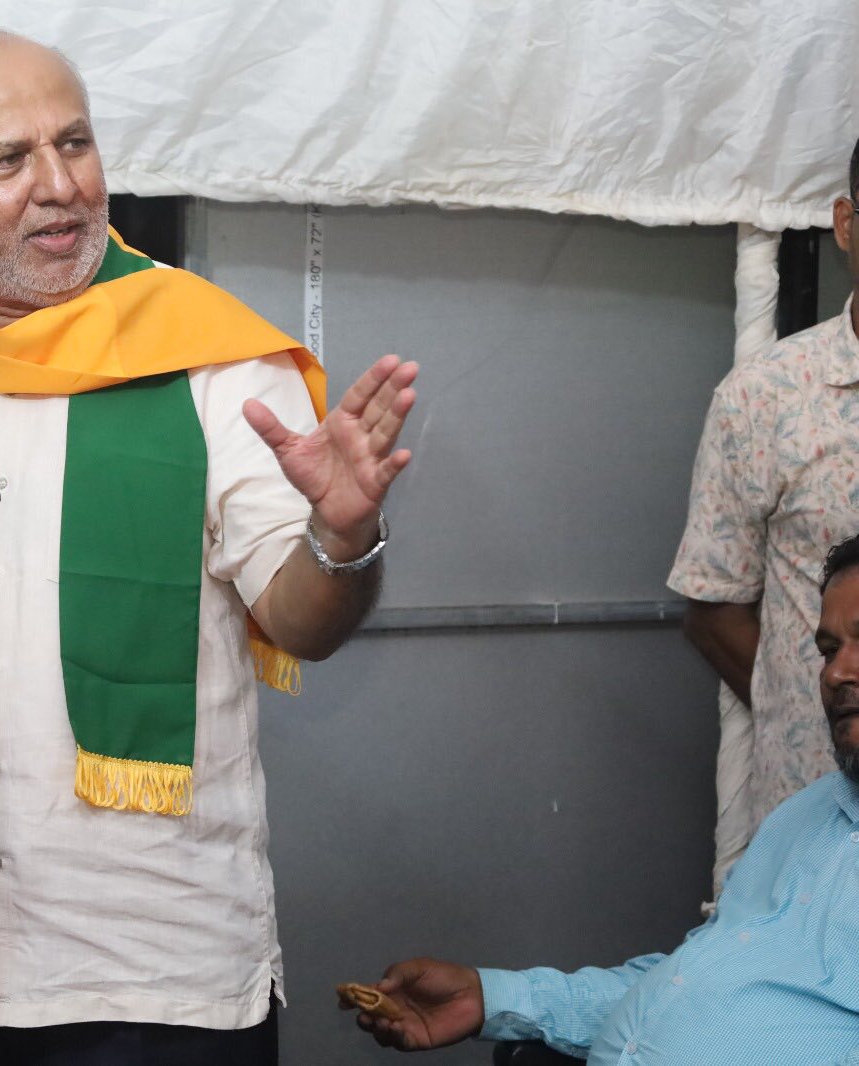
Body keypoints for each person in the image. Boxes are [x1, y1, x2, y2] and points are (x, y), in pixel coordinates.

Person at [0, 25, 418, 1066]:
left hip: (155, 972)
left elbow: (299, 621)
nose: (59, 186)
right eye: (9, 160)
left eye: (75, 143)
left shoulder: (211, 357)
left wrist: (341, 531)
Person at [342, 531, 859, 1061]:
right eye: (828, 650)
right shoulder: (803, 820)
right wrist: (490, 998)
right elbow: (697, 981)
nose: (837, 672)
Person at [671, 136, 859, 891]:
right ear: (845, 224)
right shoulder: (765, 397)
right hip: (807, 818)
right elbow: (713, 608)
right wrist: (814, 720)